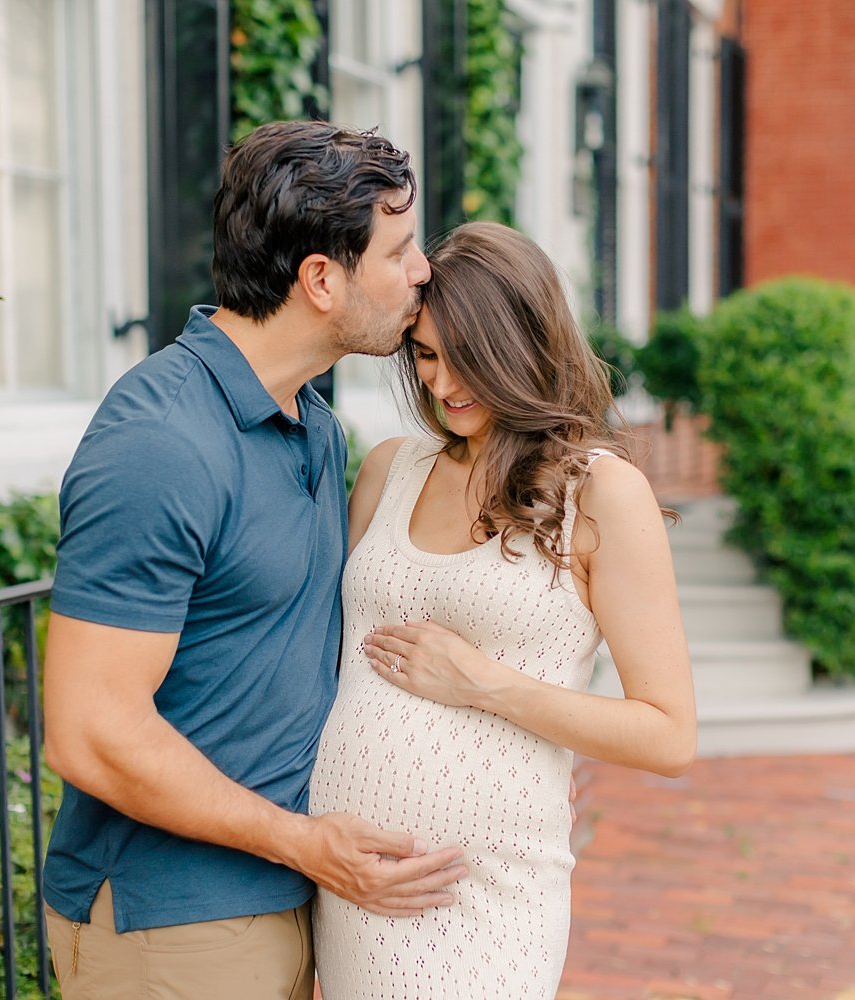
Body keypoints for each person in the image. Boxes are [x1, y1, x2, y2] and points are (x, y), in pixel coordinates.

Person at [39, 121, 467, 1000]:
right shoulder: (160, 441)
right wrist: (302, 841)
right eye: (399, 249)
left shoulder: (313, 425)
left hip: (287, 896)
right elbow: (89, 731)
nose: (423, 269)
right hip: (174, 924)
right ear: (321, 279)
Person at [309, 221, 698, 999]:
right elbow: (327, 662)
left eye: (471, 360)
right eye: (426, 356)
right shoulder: (389, 469)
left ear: (526, 347)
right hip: (349, 879)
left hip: (483, 896)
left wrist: (486, 686)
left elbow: (669, 734)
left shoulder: (601, 493)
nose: (445, 385)